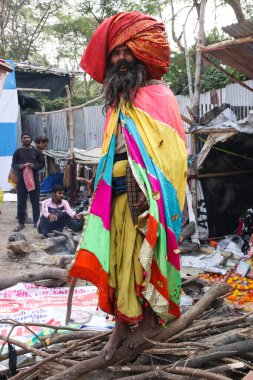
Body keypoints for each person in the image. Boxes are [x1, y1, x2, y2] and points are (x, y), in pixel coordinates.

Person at [69, 11, 187, 360]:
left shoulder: (159, 97)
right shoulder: (115, 104)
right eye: (115, 54)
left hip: (149, 201)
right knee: (117, 261)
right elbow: (109, 155)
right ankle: (121, 325)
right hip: (116, 199)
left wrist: (153, 196)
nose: (120, 60)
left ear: (140, 55)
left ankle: (150, 321)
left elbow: (174, 157)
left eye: (126, 53)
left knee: (143, 260)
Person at [12, 131, 45, 232]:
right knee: (21, 203)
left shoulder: (36, 152)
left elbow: (42, 165)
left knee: (35, 202)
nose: (26, 139)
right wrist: (20, 166)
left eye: (28, 138)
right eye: (24, 138)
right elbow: (13, 165)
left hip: (34, 180)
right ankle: (21, 223)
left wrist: (33, 166)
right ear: (22, 140)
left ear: (31, 139)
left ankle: (36, 222)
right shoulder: (18, 152)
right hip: (21, 181)